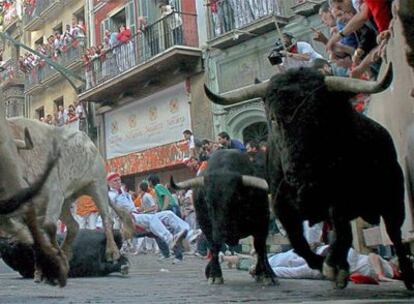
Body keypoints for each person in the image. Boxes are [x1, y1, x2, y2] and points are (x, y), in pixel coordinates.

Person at [106, 172, 186, 251]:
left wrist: (137, 209)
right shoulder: (111, 195)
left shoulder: (123, 192)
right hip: (130, 218)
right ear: (109, 183)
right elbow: (109, 211)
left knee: (168, 214)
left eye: (119, 180)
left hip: (137, 214)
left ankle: (189, 233)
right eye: (115, 181)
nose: (118, 182)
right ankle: (170, 240)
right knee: (151, 219)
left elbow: (129, 205)